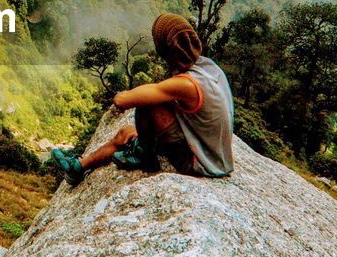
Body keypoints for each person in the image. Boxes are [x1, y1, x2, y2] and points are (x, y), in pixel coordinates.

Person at [54, 12, 234, 185]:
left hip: (199, 163)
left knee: (147, 105)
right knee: (125, 134)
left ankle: (144, 157)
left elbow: (122, 101)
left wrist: (122, 94)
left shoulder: (186, 84)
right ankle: (78, 167)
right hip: (205, 147)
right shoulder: (209, 67)